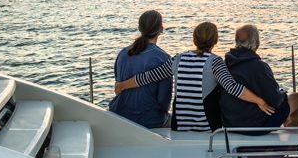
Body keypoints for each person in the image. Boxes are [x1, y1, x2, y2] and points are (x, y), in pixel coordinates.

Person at [114, 21, 273, 132]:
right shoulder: (215, 62)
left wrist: (122, 85)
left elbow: (148, 77)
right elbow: (233, 88)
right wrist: (259, 101)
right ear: (215, 41)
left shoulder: (178, 59)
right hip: (207, 127)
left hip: (180, 126)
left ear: (194, 39)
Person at [220, 24, 298, 132]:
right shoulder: (259, 66)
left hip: (230, 123)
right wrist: (282, 93)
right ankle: (292, 128)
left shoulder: (225, 64)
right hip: (256, 125)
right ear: (257, 44)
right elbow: (275, 100)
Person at [110, 10, 172, 128]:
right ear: (161, 29)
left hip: (119, 114)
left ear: (139, 28)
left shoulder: (123, 53)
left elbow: (118, 86)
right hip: (149, 120)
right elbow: (163, 101)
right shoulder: (163, 58)